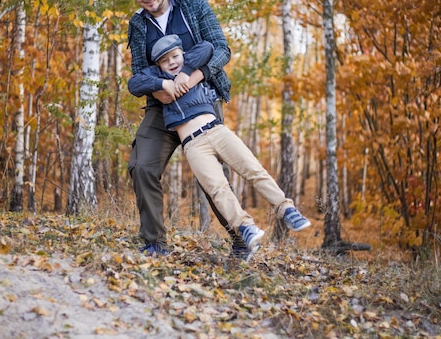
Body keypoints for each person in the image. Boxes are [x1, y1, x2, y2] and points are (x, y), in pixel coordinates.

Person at [128, 34, 311, 251]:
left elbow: (207, 47)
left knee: (253, 169)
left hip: (217, 132)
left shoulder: (191, 69)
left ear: (183, 54)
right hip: (193, 144)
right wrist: (163, 82)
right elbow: (135, 83)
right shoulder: (160, 78)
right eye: (165, 61)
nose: (172, 62)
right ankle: (244, 226)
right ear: (159, 65)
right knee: (217, 187)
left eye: (175, 56)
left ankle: (287, 209)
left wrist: (185, 73)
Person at [125, 0, 248, 257]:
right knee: (141, 167)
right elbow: (139, 71)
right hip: (162, 106)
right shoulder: (138, 24)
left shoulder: (194, 6)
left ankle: (242, 241)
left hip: (202, 101)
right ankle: (155, 243)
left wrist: (190, 76)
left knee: (212, 176)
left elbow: (220, 49)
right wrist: (162, 88)